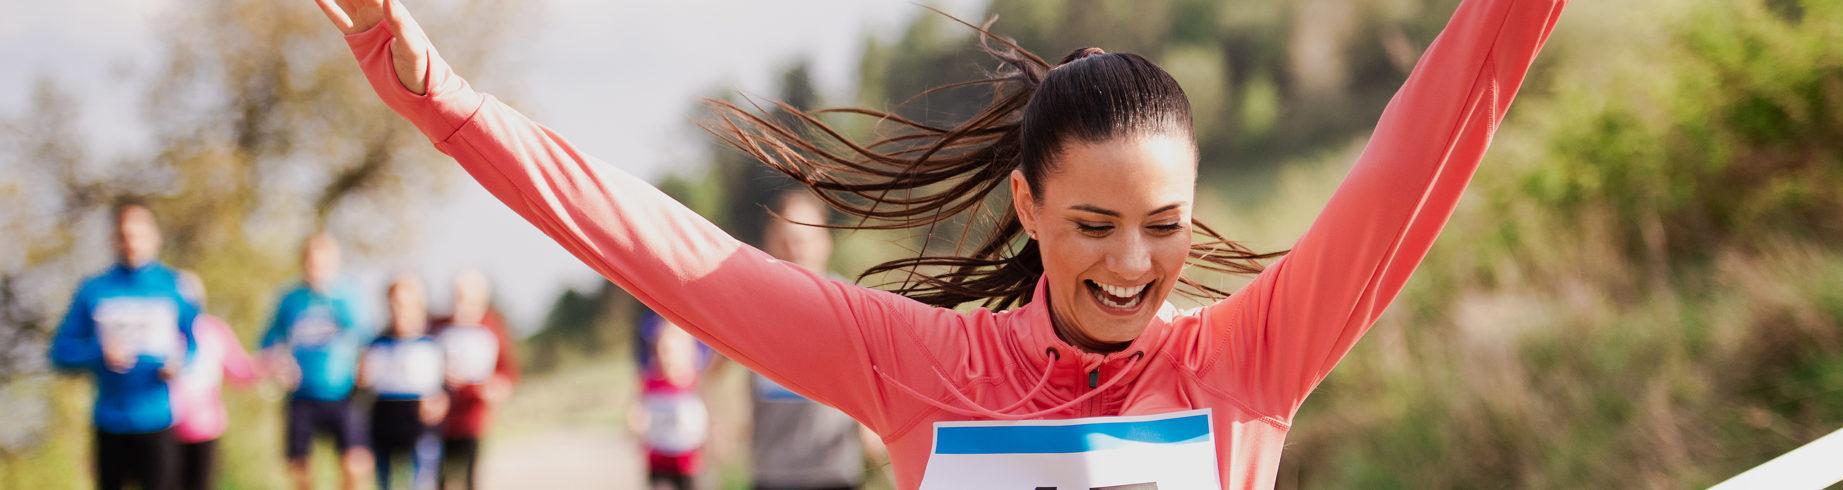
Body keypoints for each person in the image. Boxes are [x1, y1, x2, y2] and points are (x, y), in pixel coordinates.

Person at [313, 0, 1565, 486]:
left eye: (1166, 228)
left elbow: (1439, 116)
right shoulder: (919, 365)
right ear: (1026, 210)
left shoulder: (1255, 356)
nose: (1134, 262)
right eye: (1094, 224)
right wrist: (444, 99)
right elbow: (659, 247)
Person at [49, 199, 200, 489]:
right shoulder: (94, 290)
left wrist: (179, 363)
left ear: (154, 236)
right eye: (124, 234)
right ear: (114, 239)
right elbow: (61, 352)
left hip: (158, 419)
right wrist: (98, 354)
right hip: (109, 421)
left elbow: (193, 341)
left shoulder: (174, 286)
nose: (131, 242)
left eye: (138, 233)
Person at [738, 191, 880, 490]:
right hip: (773, 471)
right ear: (770, 240)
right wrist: (717, 424)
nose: (795, 246)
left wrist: (874, 426)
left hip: (835, 470)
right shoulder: (752, 304)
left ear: (825, 241)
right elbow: (709, 370)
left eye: (804, 236)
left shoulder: (851, 302)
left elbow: (880, 369)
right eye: (786, 236)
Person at [260, 232, 374, 489]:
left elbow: (367, 338)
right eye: (312, 262)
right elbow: (269, 341)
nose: (317, 269)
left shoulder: (349, 296)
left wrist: (364, 366)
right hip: (302, 394)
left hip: (344, 393)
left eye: (324, 263)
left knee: (356, 464)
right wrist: (281, 366)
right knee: (298, 467)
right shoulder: (290, 299)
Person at [168, 271, 260, 490]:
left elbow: (241, 372)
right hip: (164, 426)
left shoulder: (214, 330)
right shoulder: (162, 330)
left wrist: (267, 364)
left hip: (205, 427)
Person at [429, 270, 518, 490]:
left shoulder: (491, 328)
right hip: (441, 417)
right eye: (458, 297)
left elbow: (507, 372)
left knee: (469, 475)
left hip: (473, 416)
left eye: (470, 300)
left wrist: (496, 389)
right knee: (439, 475)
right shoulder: (438, 326)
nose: (464, 305)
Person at [360, 274, 449, 490]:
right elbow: (363, 388)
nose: (400, 311)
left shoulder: (433, 343)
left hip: (421, 428)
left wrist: (440, 400)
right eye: (394, 305)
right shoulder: (376, 345)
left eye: (406, 305)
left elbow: (447, 386)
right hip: (384, 423)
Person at [628, 317, 709, 490]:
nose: (668, 353)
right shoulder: (650, 383)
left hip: (688, 463)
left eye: (674, 347)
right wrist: (636, 423)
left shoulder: (695, 383)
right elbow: (638, 411)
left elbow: (706, 417)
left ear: (690, 350)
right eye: (663, 348)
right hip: (658, 462)